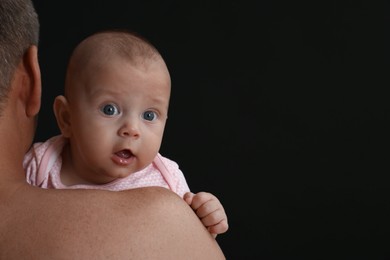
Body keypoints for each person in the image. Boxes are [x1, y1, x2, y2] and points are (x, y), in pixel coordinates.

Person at [0, 0, 226, 258]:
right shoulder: (43, 164)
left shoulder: (166, 178)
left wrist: (206, 215)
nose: (131, 129)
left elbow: (194, 231)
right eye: (110, 110)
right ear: (66, 118)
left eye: (149, 115)